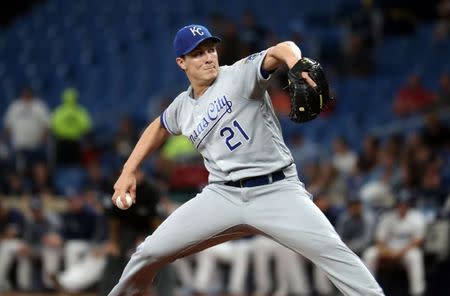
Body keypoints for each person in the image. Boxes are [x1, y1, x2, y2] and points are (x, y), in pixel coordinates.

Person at [108, 24, 384, 296]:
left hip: (276, 191)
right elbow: (158, 127)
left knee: (333, 252)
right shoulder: (182, 106)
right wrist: (128, 170)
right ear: (182, 62)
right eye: (197, 53)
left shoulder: (239, 74)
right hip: (223, 195)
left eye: (210, 49)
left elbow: (281, 50)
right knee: (148, 252)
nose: (208, 57)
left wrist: (295, 61)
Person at [363, 189, 426, 296]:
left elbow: (418, 240)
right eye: (400, 204)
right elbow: (379, 239)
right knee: (369, 254)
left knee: (415, 256)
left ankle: (417, 292)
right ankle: (367, 291)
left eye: (405, 204)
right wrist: (387, 251)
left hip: (407, 250)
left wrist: (400, 253)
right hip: (389, 250)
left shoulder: (416, 217)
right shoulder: (388, 217)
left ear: (409, 204)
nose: (402, 206)